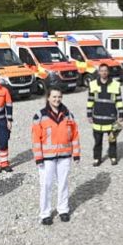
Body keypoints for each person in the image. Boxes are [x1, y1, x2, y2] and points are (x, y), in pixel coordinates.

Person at [31, 87, 80, 225]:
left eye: (59, 97)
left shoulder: (68, 115)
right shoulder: (39, 116)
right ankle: (45, 213)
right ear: (48, 98)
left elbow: (75, 135)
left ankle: (63, 209)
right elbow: (36, 138)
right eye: (54, 97)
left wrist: (76, 153)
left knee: (63, 183)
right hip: (47, 158)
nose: (57, 99)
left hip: (65, 156)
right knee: (46, 185)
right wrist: (38, 157)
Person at [87, 64, 123, 166]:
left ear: (108, 72)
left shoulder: (115, 84)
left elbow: (119, 101)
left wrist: (121, 114)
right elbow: (90, 100)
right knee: (97, 141)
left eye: (105, 71)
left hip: (111, 119)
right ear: (98, 72)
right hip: (97, 119)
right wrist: (89, 114)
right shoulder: (93, 84)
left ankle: (113, 157)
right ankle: (97, 158)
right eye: (101, 71)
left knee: (112, 140)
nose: (103, 72)